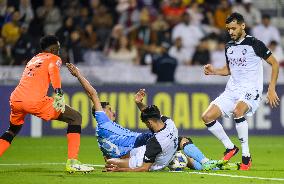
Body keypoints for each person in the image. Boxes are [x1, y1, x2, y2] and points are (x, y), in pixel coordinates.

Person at [66, 64, 221, 171]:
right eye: (110, 110)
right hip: (137, 147)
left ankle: (207, 164)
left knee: (177, 142)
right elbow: (93, 94)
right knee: (176, 143)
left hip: (140, 143)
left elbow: (107, 151)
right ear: (100, 112)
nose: (113, 113)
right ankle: (206, 163)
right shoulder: (102, 121)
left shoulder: (105, 130)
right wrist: (78, 74)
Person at [0, 35, 94, 173]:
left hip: (16, 99)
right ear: (53, 48)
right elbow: (53, 71)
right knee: (75, 117)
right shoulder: (54, 58)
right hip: (34, 101)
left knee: (12, 130)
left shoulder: (33, 59)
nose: (59, 51)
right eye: (58, 48)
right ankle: (73, 162)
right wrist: (59, 93)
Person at [202, 12, 280, 170]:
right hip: (232, 90)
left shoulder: (255, 43)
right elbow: (230, 69)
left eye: (233, 28)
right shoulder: (229, 46)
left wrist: (271, 88)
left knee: (238, 111)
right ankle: (230, 148)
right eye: (228, 29)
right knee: (207, 116)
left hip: (251, 89)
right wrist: (214, 71)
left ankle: (246, 156)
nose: (230, 32)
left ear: (242, 26)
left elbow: (275, 63)